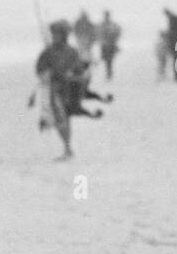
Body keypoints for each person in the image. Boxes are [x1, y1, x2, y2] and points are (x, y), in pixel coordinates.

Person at [34, 20, 87, 159]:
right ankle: (67, 148)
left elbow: (80, 70)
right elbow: (39, 68)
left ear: (63, 35)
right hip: (54, 89)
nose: (54, 36)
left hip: (70, 90)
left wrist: (72, 74)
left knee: (65, 119)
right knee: (59, 119)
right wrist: (46, 73)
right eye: (53, 34)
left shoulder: (72, 52)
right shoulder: (48, 51)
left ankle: (67, 148)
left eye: (56, 34)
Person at [98, 10, 121, 81]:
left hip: (109, 45)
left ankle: (109, 74)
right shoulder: (106, 25)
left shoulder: (110, 25)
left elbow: (117, 33)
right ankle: (109, 73)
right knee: (108, 61)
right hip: (106, 45)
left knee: (109, 61)